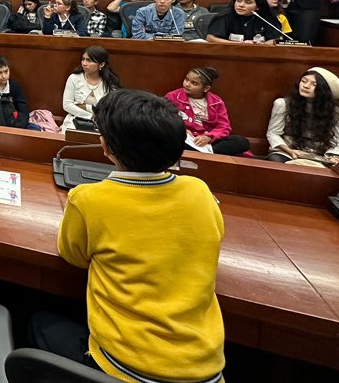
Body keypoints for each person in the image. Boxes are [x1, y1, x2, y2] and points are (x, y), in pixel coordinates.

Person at [50, 89, 224, 382]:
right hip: (206, 369)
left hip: (123, 368)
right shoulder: (200, 192)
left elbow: (73, 256)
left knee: (39, 323)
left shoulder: (88, 198)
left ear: (105, 146)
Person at [266, 68, 339, 166]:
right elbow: (273, 133)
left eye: (314, 84)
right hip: (288, 152)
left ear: (323, 90)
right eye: (303, 81)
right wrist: (290, 151)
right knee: (275, 161)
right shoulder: (283, 104)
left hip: (320, 156)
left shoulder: (338, 113)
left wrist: (335, 157)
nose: (306, 86)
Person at [165, 67, 251, 155]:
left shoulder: (217, 102)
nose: (187, 84)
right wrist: (182, 130)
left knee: (242, 142)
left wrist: (208, 137)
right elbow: (166, 118)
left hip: (208, 142)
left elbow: (224, 126)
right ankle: (206, 153)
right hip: (184, 138)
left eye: (194, 83)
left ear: (206, 88)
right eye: (186, 79)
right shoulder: (173, 96)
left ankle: (205, 151)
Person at [61, 46, 120, 132]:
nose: (84, 63)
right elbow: (67, 105)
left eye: (89, 60)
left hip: (100, 123)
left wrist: (85, 107)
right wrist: (90, 115)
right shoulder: (74, 78)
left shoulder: (110, 83)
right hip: (75, 120)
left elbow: (110, 110)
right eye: (83, 59)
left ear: (101, 64)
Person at [206, 0, 281, 44]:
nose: (241, 5)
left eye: (248, 2)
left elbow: (275, 40)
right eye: (238, 1)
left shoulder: (268, 17)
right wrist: (241, 45)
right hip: (228, 53)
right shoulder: (226, 15)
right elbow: (211, 38)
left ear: (258, 7)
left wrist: (261, 45)